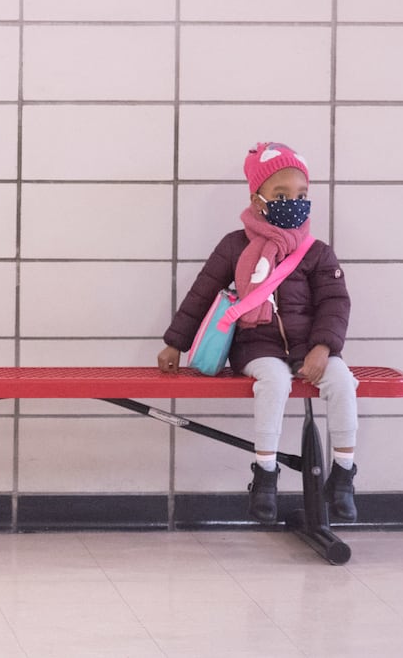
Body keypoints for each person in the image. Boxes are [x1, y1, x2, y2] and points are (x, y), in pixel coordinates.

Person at [156, 142, 356, 523]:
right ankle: (265, 475)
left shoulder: (316, 252)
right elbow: (201, 293)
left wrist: (323, 348)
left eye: (301, 195)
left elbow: (335, 304)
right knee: (275, 382)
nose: (293, 202)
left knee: (343, 381)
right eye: (282, 194)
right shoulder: (235, 245)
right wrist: (174, 343)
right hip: (256, 345)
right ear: (258, 198)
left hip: (310, 347)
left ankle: (343, 476)